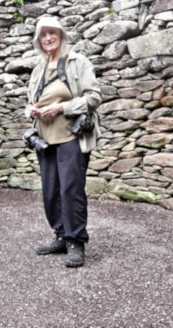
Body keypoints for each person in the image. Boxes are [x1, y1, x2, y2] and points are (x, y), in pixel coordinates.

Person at [25, 16, 101, 268]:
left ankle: (76, 241)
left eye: (52, 33)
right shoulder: (38, 69)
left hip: (71, 136)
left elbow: (93, 97)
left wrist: (61, 107)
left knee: (71, 191)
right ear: (38, 40)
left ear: (61, 34)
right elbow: (30, 102)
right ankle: (60, 235)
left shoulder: (79, 63)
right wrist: (32, 112)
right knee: (50, 192)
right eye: (43, 35)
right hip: (45, 139)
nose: (48, 38)